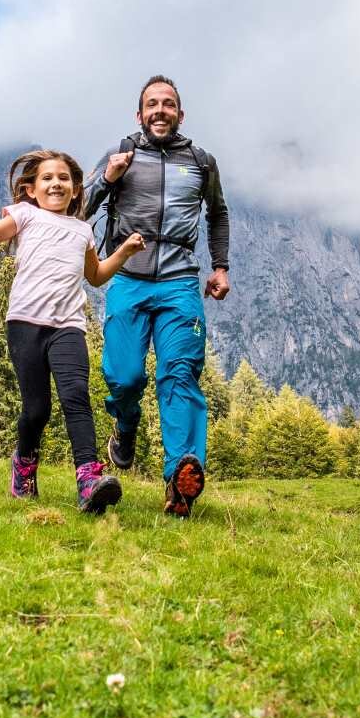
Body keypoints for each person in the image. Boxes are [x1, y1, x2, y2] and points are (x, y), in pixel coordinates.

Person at [82, 76, 231, 517]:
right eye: (152, 104)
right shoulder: (120, 155)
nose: (160, 111)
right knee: (124, 376)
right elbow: (81, 208)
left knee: (180, 374)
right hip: (127, 278)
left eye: (168, 104)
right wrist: (108, 179)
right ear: (139, 114)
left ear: (180, 114)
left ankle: (180, 481)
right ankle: (125, 428)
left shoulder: (201, 162)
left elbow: (218, 213)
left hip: (180, 283)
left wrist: (220, 266)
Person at [0, 151, 146, 514]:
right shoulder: (25, 215)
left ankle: (88, 479)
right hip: (25, 323)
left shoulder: (82, 230)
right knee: (37, 410)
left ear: (76, 189)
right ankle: (24, 465)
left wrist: (124, 252)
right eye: (47, 178)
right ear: (31, 189)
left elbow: (94, 276)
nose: (56, 184)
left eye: (64, 178)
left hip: (69, 326)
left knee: (76, 397)